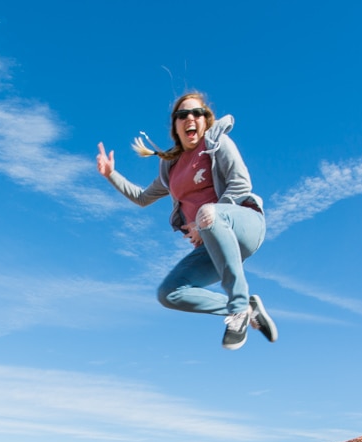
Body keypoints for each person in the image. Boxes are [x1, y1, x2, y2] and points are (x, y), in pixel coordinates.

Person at [96, 92, 277, 350]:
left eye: (197, 113)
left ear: (205, 121)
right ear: (176, 126)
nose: (190, 118)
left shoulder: (216, 144)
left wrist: (207, 219)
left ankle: (237, 311)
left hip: (245, 224)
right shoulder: (171, 168)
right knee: (169, 293)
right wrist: (111, 174)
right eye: (183, 115)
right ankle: (247, 308)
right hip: (214, 246)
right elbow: (142, 197)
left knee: (207, 213)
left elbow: (241, 184)